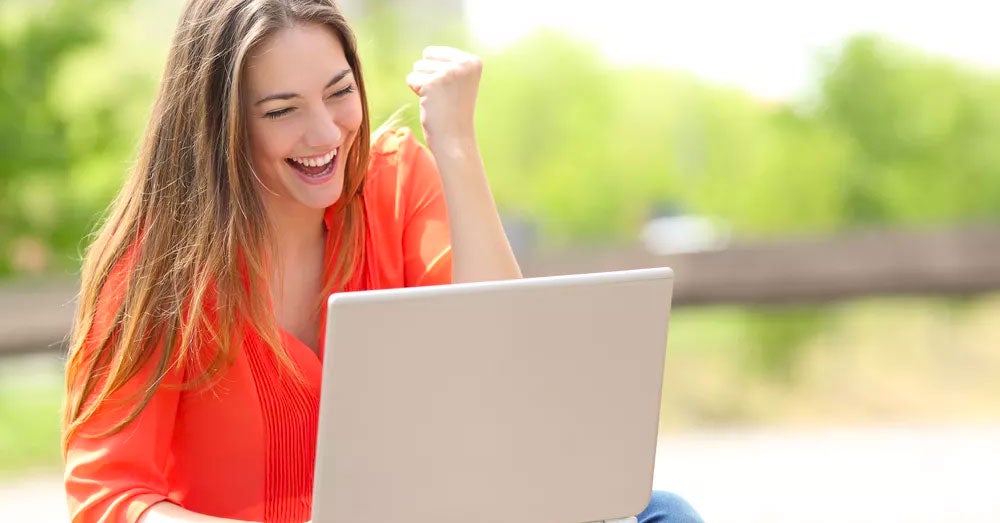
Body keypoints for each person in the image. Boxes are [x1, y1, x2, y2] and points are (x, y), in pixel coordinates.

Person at [61, 1, 704, 522]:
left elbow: (503, 356)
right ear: (220, 126)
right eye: (282, 111)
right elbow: (107, 497)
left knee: (660, 511)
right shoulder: (153, 267)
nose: (326, 135)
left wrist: (454, 143)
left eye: (339, 93)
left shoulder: (394, 181)